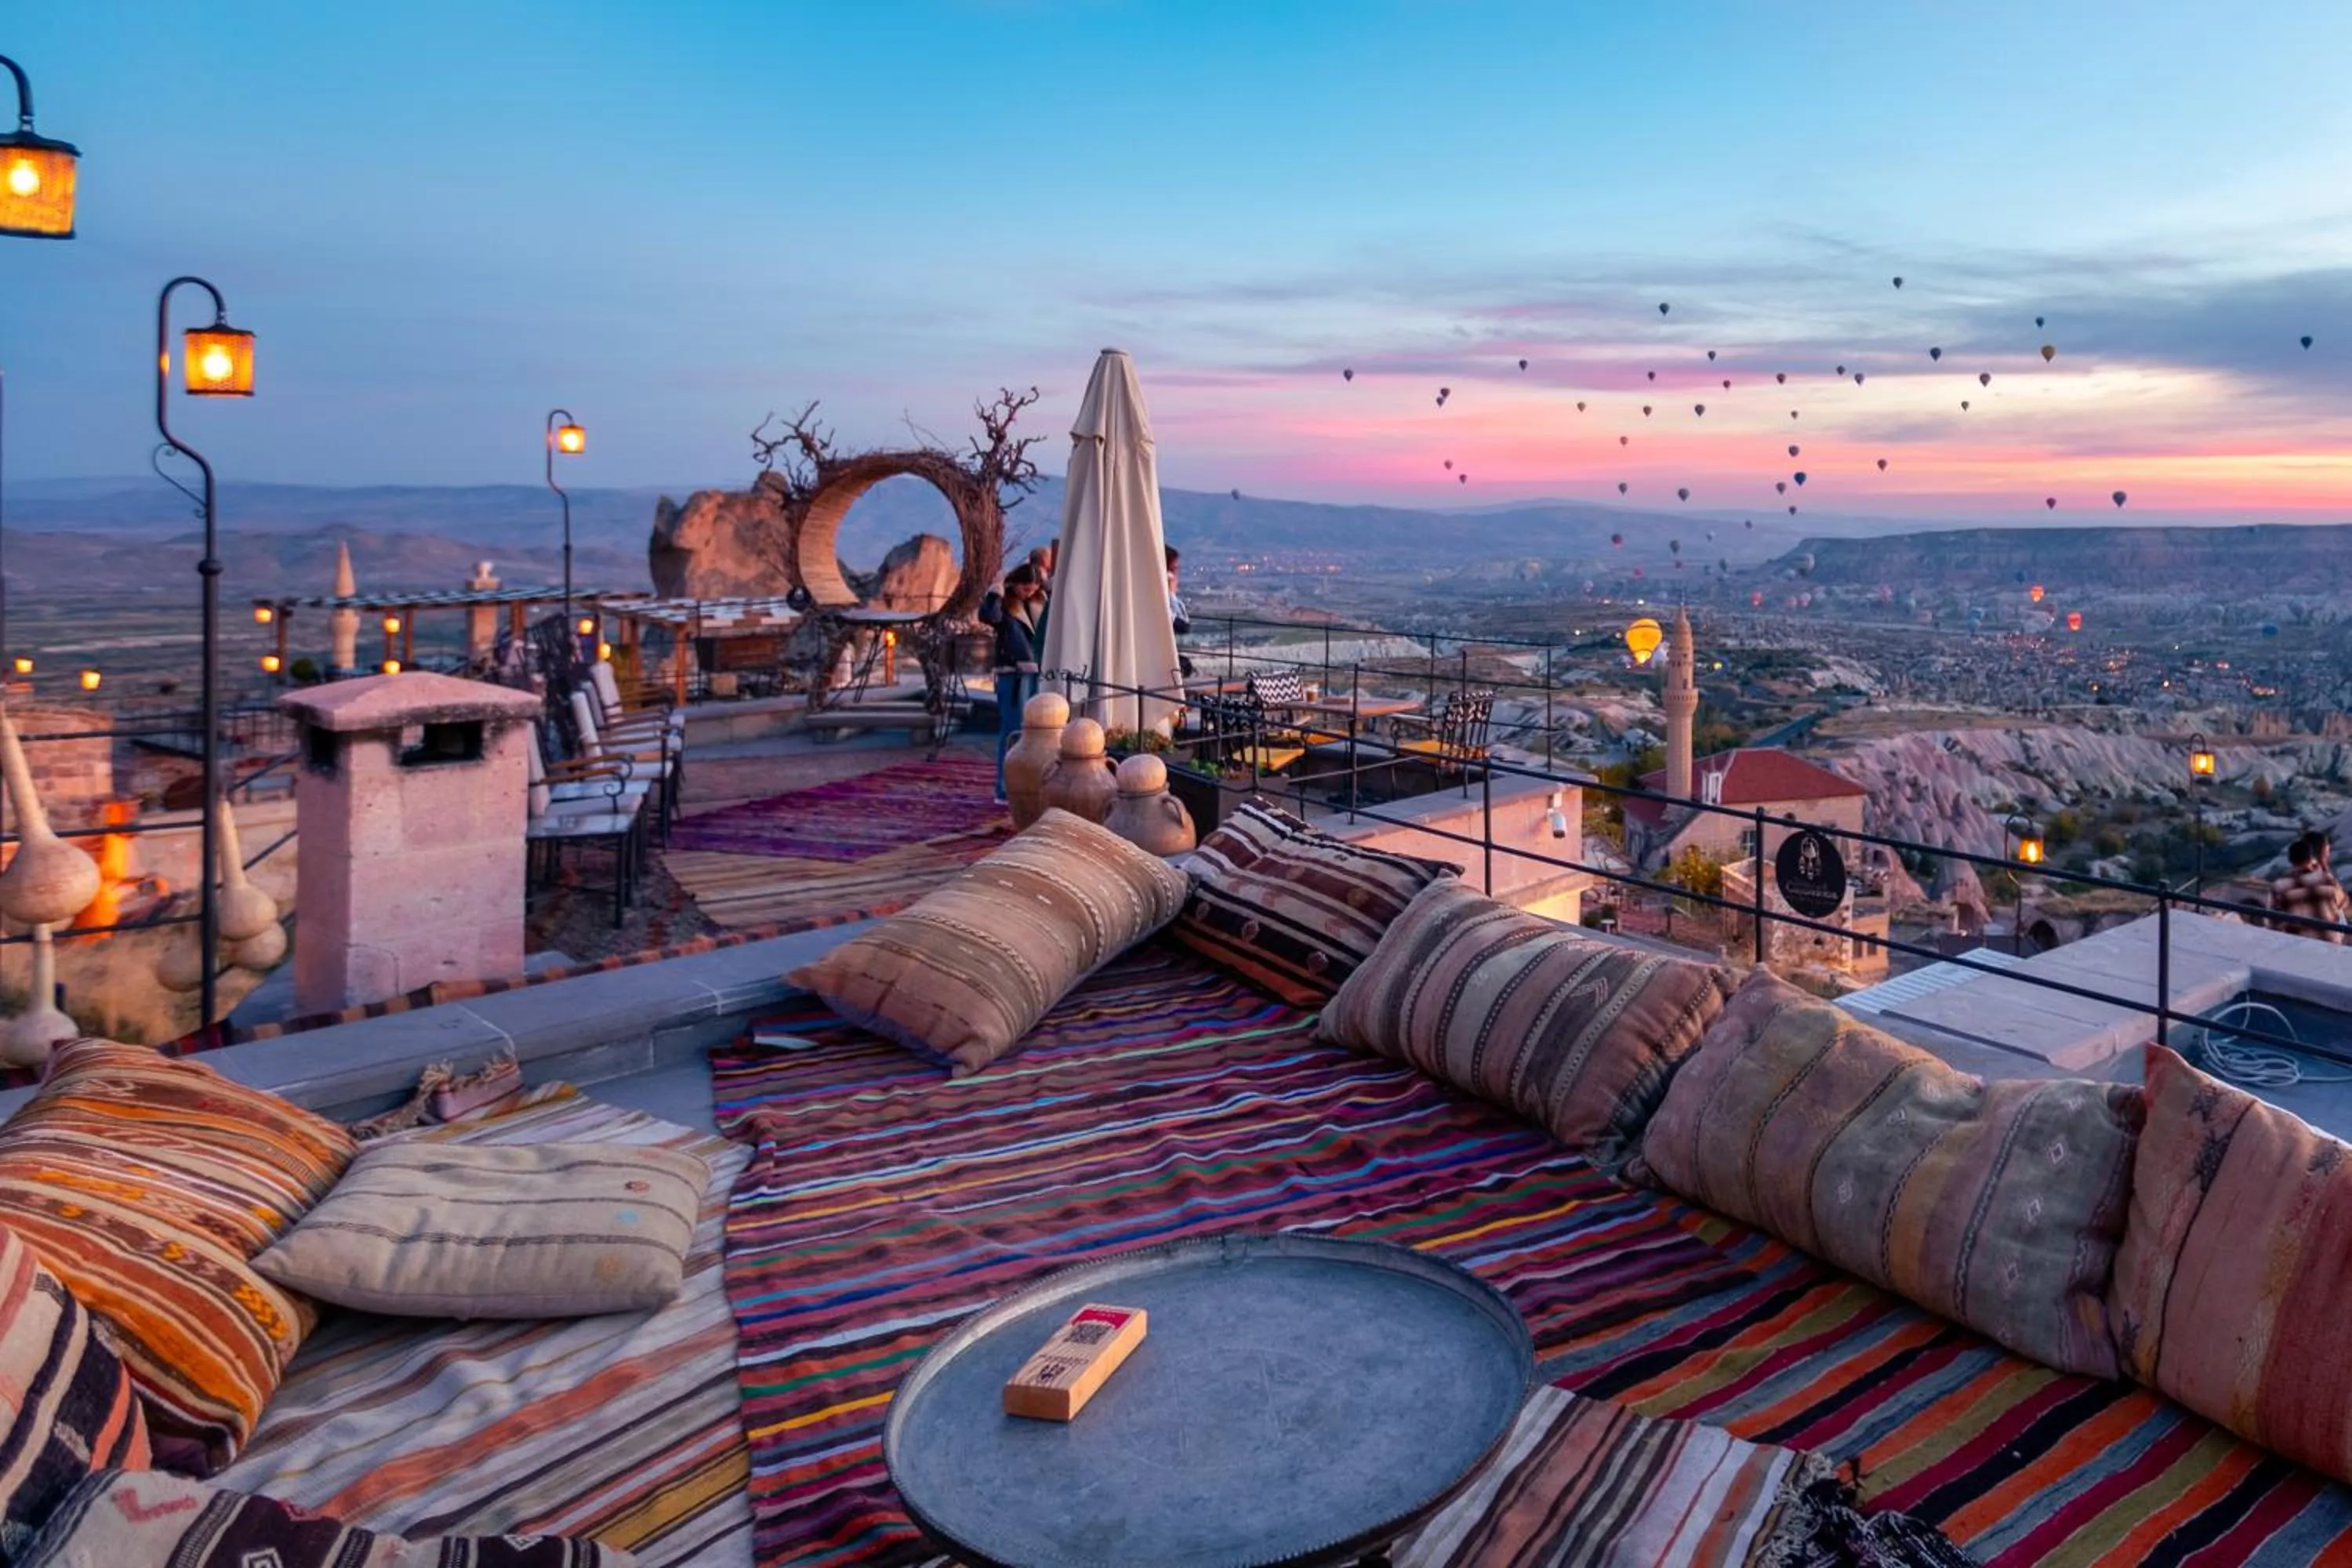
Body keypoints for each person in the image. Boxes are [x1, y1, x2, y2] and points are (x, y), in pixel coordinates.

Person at [989, 564, 1044, 803]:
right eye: (1025, 588)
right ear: (1015, 584)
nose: (1028, 592)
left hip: (1034, 673)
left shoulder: (1037, 603)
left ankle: (1026, 787)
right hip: (1012, 674)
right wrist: (995, 591)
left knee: (1031, 733)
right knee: (1011, 732)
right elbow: (988, 616)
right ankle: (1003, 788)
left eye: (1033, 589)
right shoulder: (1004, 605)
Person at [2270, 832, 2349, 943]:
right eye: (2327, 852)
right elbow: (2344, 903)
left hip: (2297, 946)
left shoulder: (2279, 886)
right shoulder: (2327, 880)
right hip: (2330, 944)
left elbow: (2272, 923)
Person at [1165, 543, 1193, 679]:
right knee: (1184, 667)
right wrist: (1171, 594)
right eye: (1173, 569)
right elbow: (1183, 625)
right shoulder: (1159, 602)